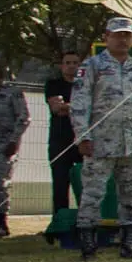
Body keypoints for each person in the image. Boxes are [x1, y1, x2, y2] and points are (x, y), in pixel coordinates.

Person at [71, 17, 132, 259]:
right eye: (118, 35)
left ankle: (129, 244)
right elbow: (80, 103)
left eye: (127, 35)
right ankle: (88, 243)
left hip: (131, 143)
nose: (123, 39)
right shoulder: (92, 66)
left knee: (130, 194)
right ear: (106, 37)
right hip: (100, 143)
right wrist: (82, 136)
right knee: (93, 193)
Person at [0, 60, 30, 238]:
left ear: (1, 74)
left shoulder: (12, 93)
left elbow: (23, 118)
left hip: (5, 146)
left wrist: (14, 140)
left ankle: (1, 224)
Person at [44, 50, 85, 211]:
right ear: (62, 66)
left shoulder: (86, 85)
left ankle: (86, 223)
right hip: (59, 141)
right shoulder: (53, 84)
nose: (71, 66)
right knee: (60, 184)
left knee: (86, 184)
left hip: (82, 140)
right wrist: (80, 107)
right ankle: (60, 222)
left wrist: (68, 106)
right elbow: (57, 109)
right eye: (68, 63)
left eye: (75, 63)